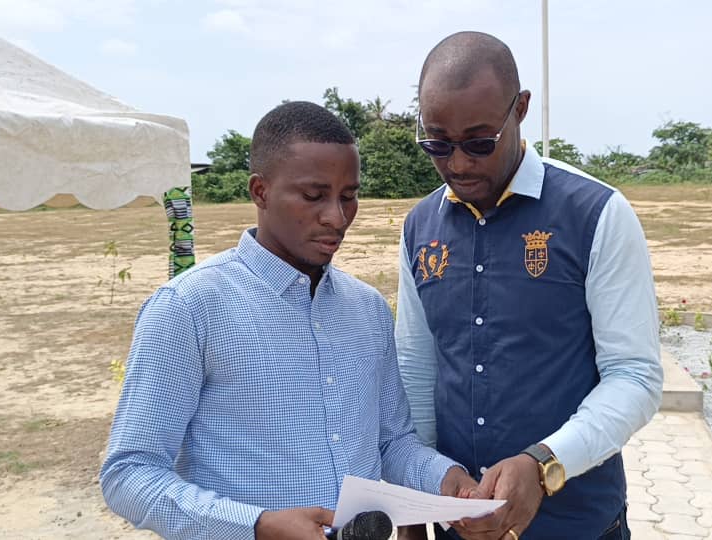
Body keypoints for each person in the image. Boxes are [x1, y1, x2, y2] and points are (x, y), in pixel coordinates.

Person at [100, 101, 474, 540]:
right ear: (260, 191)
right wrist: (256, 526)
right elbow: (130, 473)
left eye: (348, 196)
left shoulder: (368, 309)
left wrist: (447, 481)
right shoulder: (188, 309)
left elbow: (393, 443)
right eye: (314, 196)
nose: (336, 217)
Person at [395, 32, 663, 540]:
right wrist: (415, 507)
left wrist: (545, 463)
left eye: (479, 142)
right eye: (437, 143)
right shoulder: (419, 227)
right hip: (460, 525)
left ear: (520, 109)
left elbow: (634, 376)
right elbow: (416, 369)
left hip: (578, 524)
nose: (458, 163)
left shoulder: (596, 215)